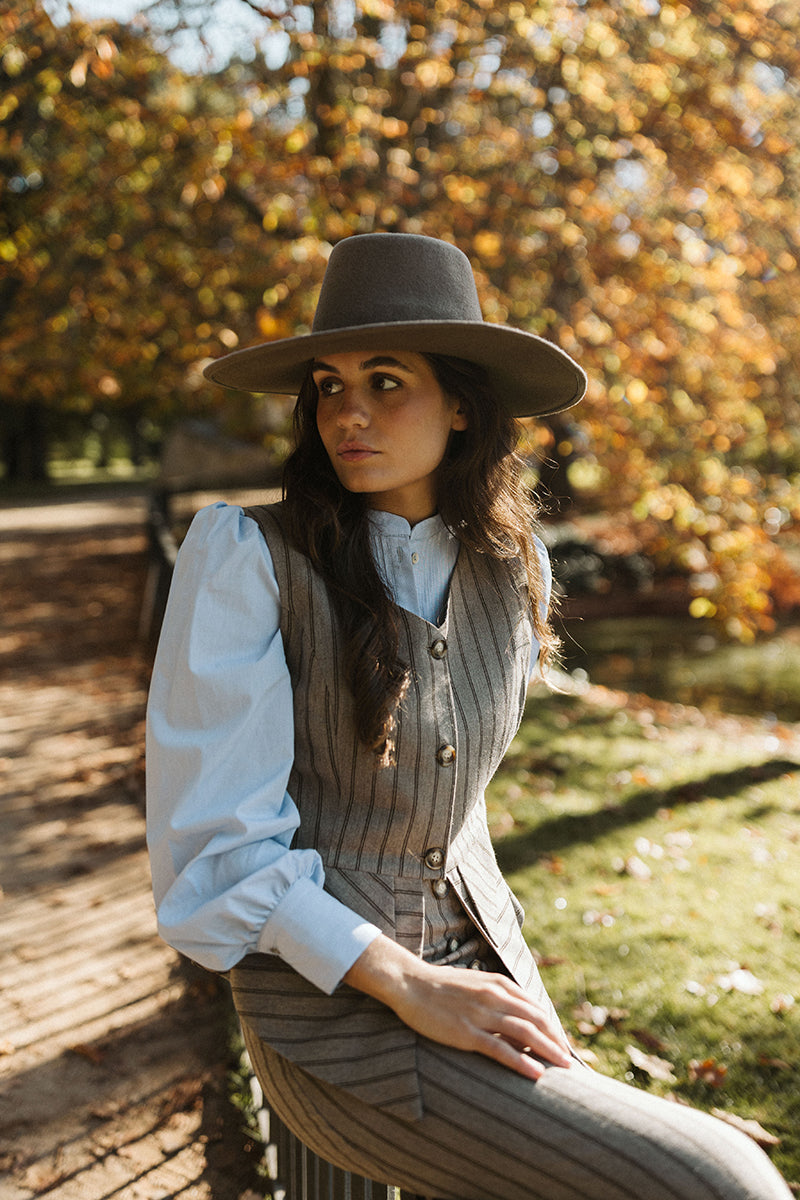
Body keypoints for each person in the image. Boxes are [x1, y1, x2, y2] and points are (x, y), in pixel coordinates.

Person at [146, 233, 790, 1200]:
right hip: (331, 1010)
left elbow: (449, 791)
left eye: (385, 380)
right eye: (328, 384)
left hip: (482, 969)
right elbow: (216, 852)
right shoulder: (247, 557)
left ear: (460, 403)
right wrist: (408, 983)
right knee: (717, 1179)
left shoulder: (510, 564)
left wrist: (476, 970)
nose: (346, 412)